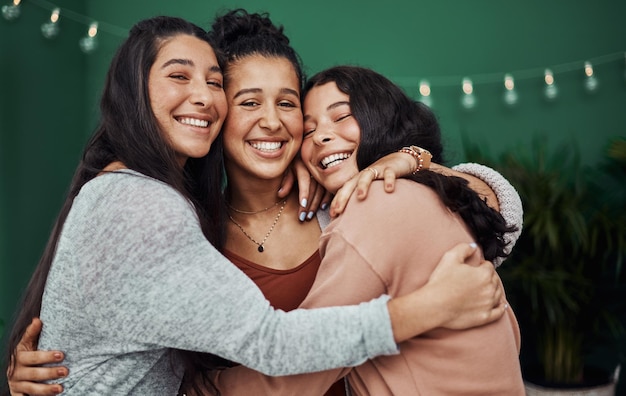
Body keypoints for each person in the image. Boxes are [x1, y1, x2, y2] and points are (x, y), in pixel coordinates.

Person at [1, 15, 508, 396]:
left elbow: (498, 214)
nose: (272, 121)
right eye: (248, 101)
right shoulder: (186, 229)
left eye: (287, 103)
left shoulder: (346, 197)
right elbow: (158, 358)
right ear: (220, 115)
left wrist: (411, 162)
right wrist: (71, 367)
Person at [194, 66, 526, 395]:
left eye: (341, 117)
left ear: (379, 117)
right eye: (308, 132)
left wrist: (203, 390)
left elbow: (300, 374)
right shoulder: (423, 196)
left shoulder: (375, 202)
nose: (321, 135)